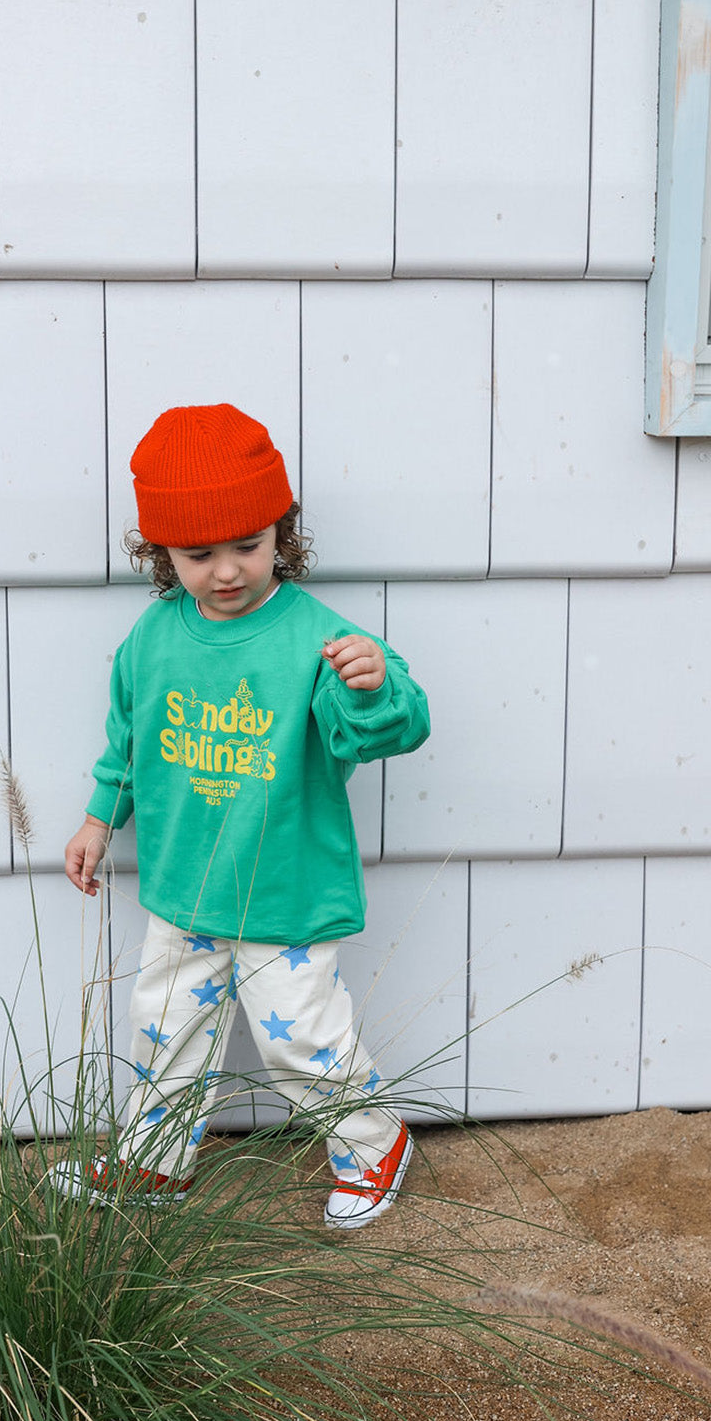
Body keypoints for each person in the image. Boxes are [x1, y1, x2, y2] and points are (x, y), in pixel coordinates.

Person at [58, 403, 430, 1228]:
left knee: (300, 1035)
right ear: (162, 554)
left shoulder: (318, 636)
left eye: (248, 547)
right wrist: (97, 818)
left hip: (285, 889)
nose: (226, 571)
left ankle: (375, 1147)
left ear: (280, 535)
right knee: (166, 1029)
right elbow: (130, 741)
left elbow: (387, 729)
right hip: (185, 886)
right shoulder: (152, 638)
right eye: (198, 555)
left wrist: (374, 686)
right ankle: (155, 1163)